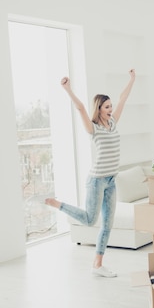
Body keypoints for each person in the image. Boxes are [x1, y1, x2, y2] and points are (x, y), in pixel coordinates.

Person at [45, 69, 136, 277]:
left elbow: (123, 98)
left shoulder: (112, 123)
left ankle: (97, 265)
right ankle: (59, 204)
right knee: (89, 220)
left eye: (111, 106)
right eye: (107, 107)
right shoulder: (93, 128)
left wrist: (132, 79)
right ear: (99, 109)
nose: (111, 109)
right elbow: (80, 108)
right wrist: (67, 89)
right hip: (96, 181)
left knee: (107, 225)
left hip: (111, 180)